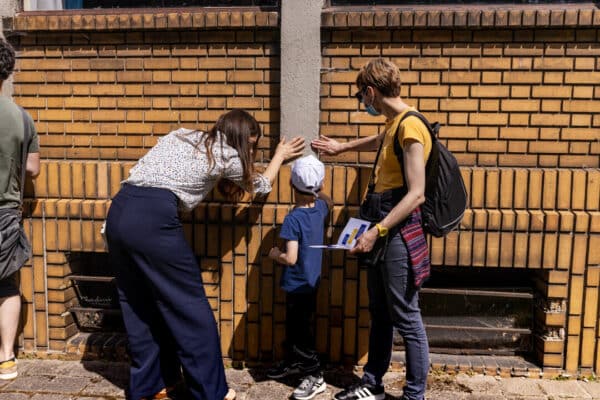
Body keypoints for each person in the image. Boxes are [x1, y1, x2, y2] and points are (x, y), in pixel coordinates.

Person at [104, 109, 305, 400]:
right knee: (189, 308)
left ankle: (153, 385)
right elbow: (260, 186)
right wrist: (279, 155)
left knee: (139, 304)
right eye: (251, 144)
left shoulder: (182, 133)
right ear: (241, 138)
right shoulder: (228, 156)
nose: (250, 150)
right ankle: (212, 392)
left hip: (120, 208)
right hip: (154, 219)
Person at [312, 58, 430, 400]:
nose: (363, 104)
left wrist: (375, 231)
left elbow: (417, 193)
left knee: (406, 317)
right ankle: (373, 383)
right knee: (380, 312)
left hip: (396, 232)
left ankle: (414, 395)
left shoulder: (410, 127)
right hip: (383, 225)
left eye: (361, 97)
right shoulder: (396, 123)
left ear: (370, 92)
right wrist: (342, 147)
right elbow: (380, 139)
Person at [266, 155, 332, 400]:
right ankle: (294, 362)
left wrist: (275, 254)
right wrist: (319, 192)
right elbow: (329, 200)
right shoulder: (321, 209)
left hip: (297, 284)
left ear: (292, 186)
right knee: (299, 327)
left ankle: (315, 375)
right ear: (321, 185)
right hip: (312, 282)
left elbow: (291, 258)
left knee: (300, 331)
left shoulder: (293, 219)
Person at [0, 38, 40, 380]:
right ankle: (7, 359)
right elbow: (32, 169)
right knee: (7, 285)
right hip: (6, 211)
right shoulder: (22, 118)